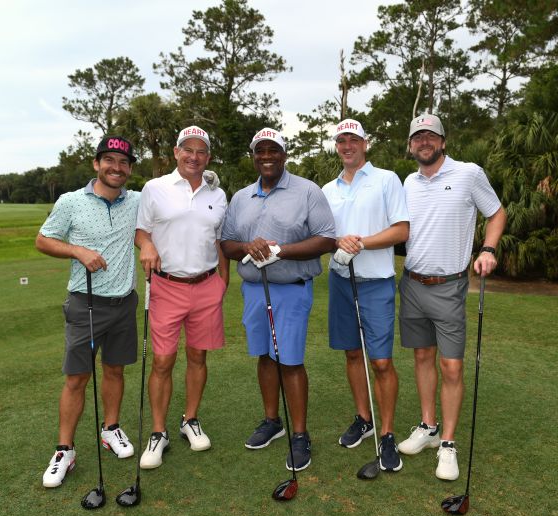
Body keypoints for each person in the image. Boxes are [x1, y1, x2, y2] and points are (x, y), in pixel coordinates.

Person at [397, 113, 506, 480]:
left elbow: (496, 213)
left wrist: (488, 249)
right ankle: (428, 427)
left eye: (431, 136)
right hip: (411, 284)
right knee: (423, 355)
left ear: (443, 141)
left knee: (452, 365)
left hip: (449, 286)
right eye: (417, 137)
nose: (424, 142)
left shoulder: (468, 174)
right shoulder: (407, 183)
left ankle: (447, 443)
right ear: (411, 145)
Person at [220, 128, 335, 472]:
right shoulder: (241, 197)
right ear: (254, 156)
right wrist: (248, 247)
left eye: (273, 151)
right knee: (265, 356)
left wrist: (278, 250)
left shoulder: (307, 191)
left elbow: (326, 239)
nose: (266, 156)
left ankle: (299, 434)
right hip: (254, 289)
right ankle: (273, 420)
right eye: (260, 151)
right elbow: (227, 244)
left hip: (291, 288)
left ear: (284, 155)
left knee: (290, 360)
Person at [36, 135, 141, 488]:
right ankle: (64, 449)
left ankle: (110, 429)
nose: (116, 167)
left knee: (114, 370)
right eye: (109, 160)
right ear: (96, 164)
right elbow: (44, 239)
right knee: (77, 377)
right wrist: (78, 251)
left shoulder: (138, 201)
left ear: (129, 169)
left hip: (124, 302)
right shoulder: (71, 201)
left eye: (123, 162)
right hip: (86, 302)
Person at [135, 125, 229, 469]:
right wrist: (146, 245)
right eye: (187, 149)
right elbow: (141, 230)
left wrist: (223, 282)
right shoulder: (154, 188)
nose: (194, 156)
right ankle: (158, 432)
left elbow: (219, 240)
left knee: (198, 358)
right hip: (166, 285)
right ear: (176, 153)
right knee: (162, 361)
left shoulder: (217, 195)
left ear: (208, 157)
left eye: (201, 150)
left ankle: (190, 419)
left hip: (206, 285)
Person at [321, 119, 409, 472]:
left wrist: (362, 242)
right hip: (341, 279)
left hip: (376, 281)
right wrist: (336, 243)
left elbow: (402, 229)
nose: (347, 146)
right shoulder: (327, 189)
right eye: (341, 140)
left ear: (365, 144)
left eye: (353, 139)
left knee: (381, 361)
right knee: (352, 353)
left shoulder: (386, 180)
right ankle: (364, 417)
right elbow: (324, 235)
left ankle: (386, 433)